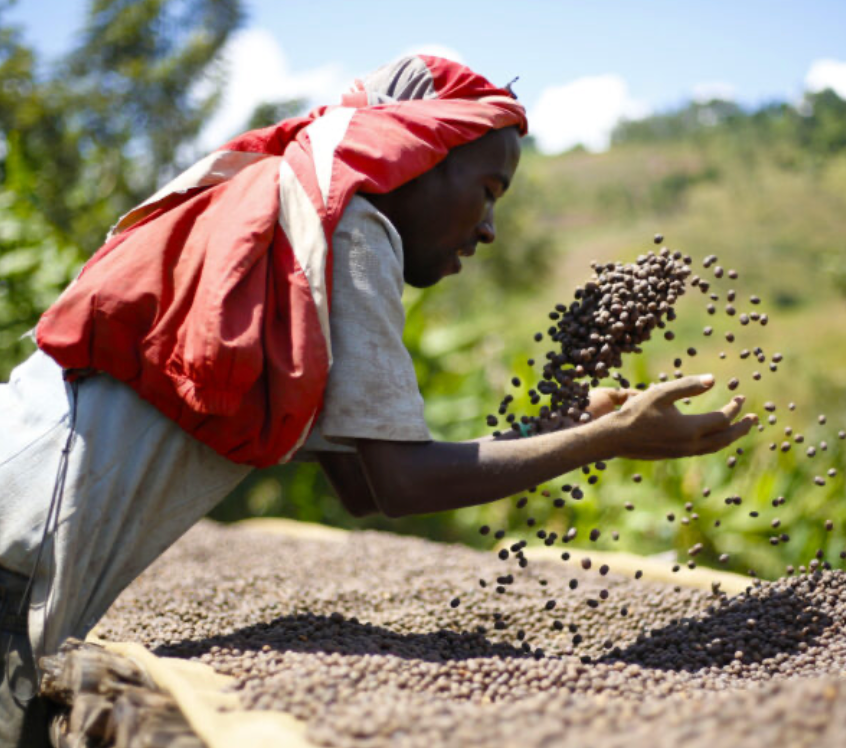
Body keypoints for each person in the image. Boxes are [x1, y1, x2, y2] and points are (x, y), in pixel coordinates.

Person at [0, 55, 756, 746]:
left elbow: (362, 488)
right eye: (488, 191)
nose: (490, 228)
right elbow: (404, 482)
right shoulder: (350, 227)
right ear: (415, 160)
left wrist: (567, 426)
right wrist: (612, 436)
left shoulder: (294, 225)